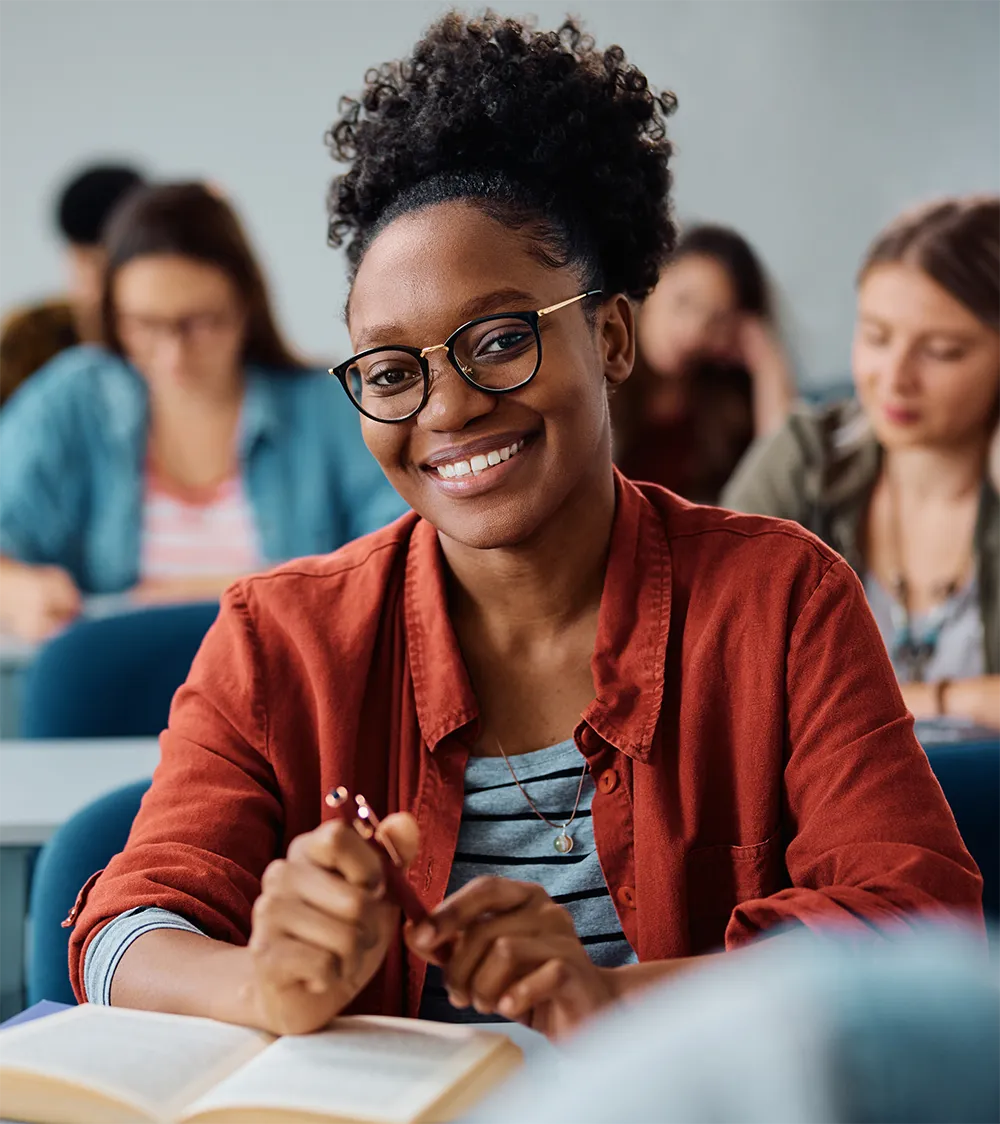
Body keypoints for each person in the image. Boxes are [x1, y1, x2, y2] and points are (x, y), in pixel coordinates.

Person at [67, 14, 979, 1042]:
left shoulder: (782, 599)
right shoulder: (278, 638)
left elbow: (916, 919)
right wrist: (260, 982)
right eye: (391, 370)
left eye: (498, 340)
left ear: (612, 335)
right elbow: (118, 930)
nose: (446, 408)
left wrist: (611, 998)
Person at [0, 182, 407, 641]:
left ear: (245, 308)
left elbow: (403, 559)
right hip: (121, 701)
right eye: (145, 325)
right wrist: (16, 590)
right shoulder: (73, 398)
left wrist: (168, 598)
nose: (173, 356)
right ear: (113, 317)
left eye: (199, 323)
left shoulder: (327, 407)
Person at [724, 196, 1000, 728]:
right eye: (876, 336)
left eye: (941, 350)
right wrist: (962, 699)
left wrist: (915, 700)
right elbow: (710, 656)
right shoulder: (806, 457)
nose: (894, 377)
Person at [614, 223, 795, 503]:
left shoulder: (722, 411)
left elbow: (782, 487)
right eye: (683, 301)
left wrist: (767, 364)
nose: (692, 331)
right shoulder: (599, 369)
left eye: (717, 319)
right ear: (651, 282)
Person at [0, 163, 145, 406]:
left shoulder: (169, 343)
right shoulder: (31, 338)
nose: (97, 285)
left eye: (110, 267)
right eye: (85, 261)